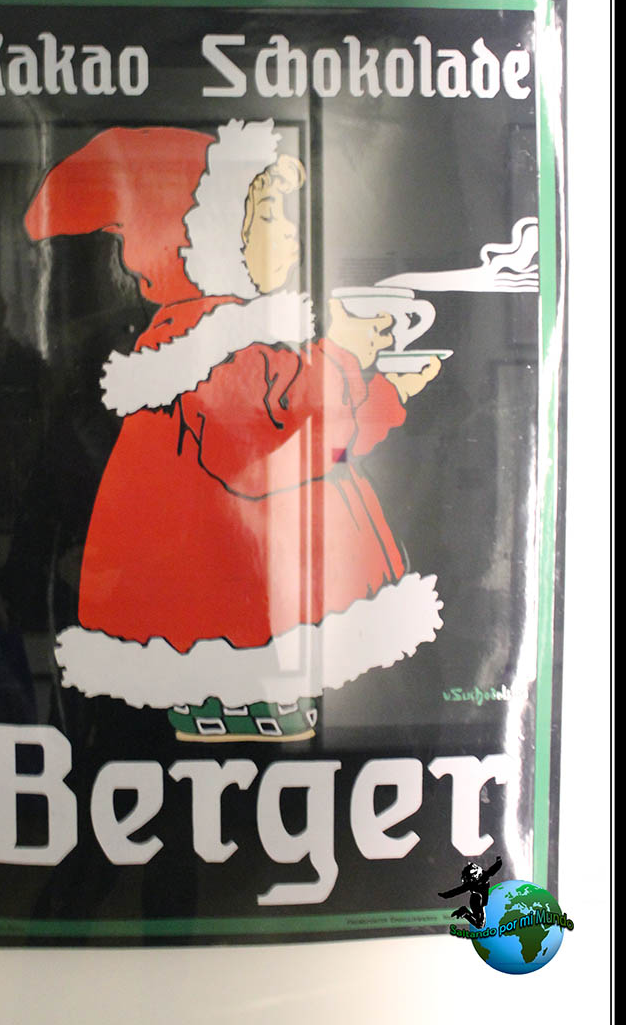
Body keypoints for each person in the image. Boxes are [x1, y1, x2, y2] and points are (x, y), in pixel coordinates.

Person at [24, 120, 443, 741]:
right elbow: (262, 456)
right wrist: (345, 358)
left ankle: (239, 712)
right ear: (213, 237)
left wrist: (383, 391)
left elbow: (315, 437)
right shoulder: (212, 341)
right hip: (222, 588)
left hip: (242, 586)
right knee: (225, 662)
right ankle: (229, 712)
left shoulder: (239, 334)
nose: (292, 231)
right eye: (269, 215)